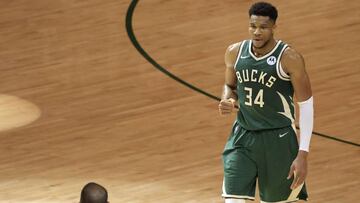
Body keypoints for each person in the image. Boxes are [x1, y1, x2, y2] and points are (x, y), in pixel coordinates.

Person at [218, 2, 314, 203]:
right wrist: (227, 98)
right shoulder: (235, 52)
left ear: (274, 28)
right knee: (232, 200)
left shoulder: (289, 58)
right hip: (243, 136)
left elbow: (306, 106)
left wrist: (303, 154)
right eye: (253, 26)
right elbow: (230, 86)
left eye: (263, 27)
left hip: (278, 139)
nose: (257, 32)